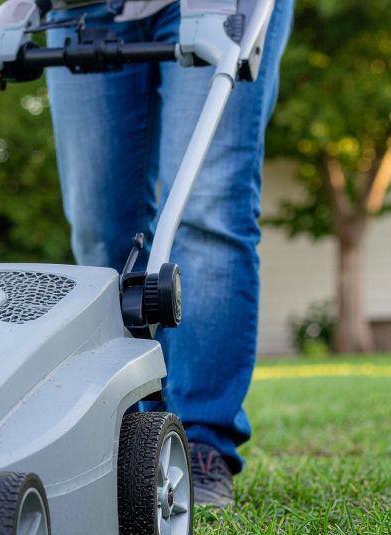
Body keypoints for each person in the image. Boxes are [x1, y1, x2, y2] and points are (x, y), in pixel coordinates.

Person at [45, 0, 294, 506]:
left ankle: (201, 440)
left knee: (209, 206)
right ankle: (126, 439)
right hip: (80, 9)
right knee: (98, 231)